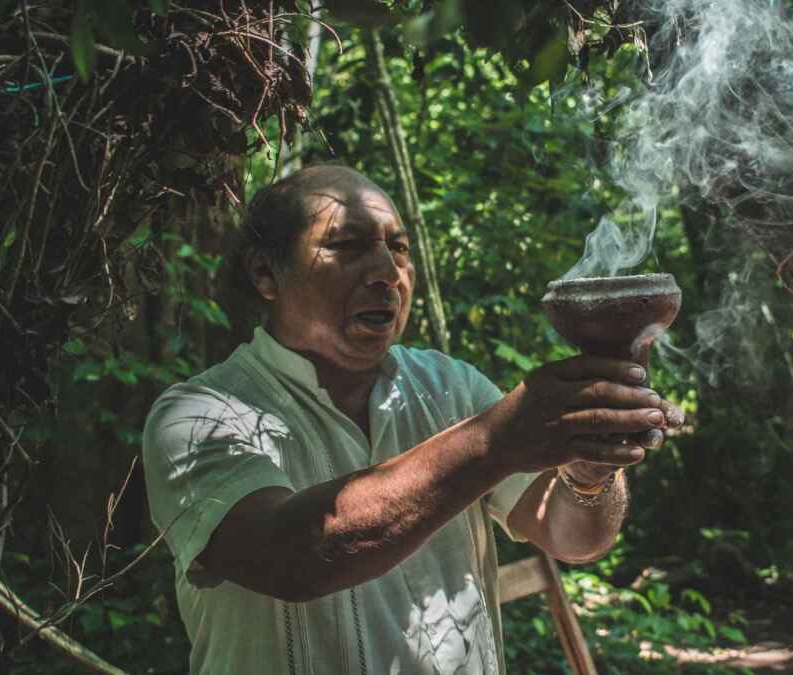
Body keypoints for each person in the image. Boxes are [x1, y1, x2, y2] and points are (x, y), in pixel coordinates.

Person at [142, 165, 683, 674]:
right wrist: (499, 441)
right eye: (345, 247)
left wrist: (589, 473)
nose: (386, 273)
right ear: (266, 273)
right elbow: (292, 559)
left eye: (398, 249)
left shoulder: (450, 386)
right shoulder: (198, 416)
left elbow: (572, 538)